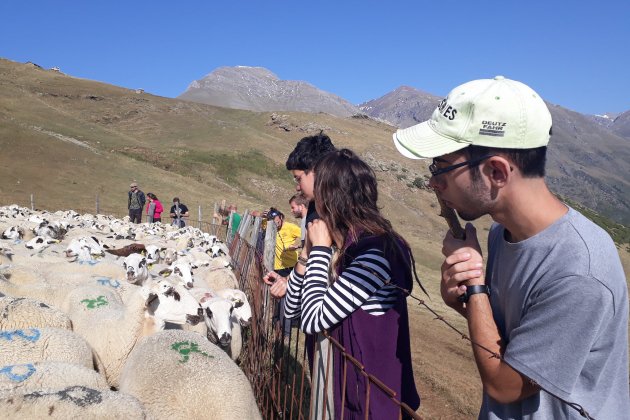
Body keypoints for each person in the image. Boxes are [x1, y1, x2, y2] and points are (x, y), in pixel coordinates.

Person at [393, 76, 629, 418]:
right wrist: (463, 303)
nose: (432, 182)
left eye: (441, 167)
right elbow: (510, 341)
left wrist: (474, 286)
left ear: (496, 171)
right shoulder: (501, 234)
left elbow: (506, 386)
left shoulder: (579, 269)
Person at [283, 149, 420, 418]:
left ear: (330, 200)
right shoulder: (347, 249)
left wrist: (320, 251)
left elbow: (312, 321)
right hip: (341, 393)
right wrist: (305, 256)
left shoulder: (375, 254)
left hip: (370, 403)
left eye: (316, 197)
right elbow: (292, 312)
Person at [263, 132, 336, 298]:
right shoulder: (314, 210)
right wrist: (288, 281)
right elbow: (307, 260)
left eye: (298, 179)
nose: (297, 187)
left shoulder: (347, 215)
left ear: (317, 171)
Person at [268, 208, 302, 278]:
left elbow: (307, 236)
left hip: (290, 266)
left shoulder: (290, 227)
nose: (276, 225)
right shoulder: (269, 226)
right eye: (273, 223)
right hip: (276, 267)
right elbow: (254, 213)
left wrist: (298, 246)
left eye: (277, 222)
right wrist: (262, 214)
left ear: (281, 217)